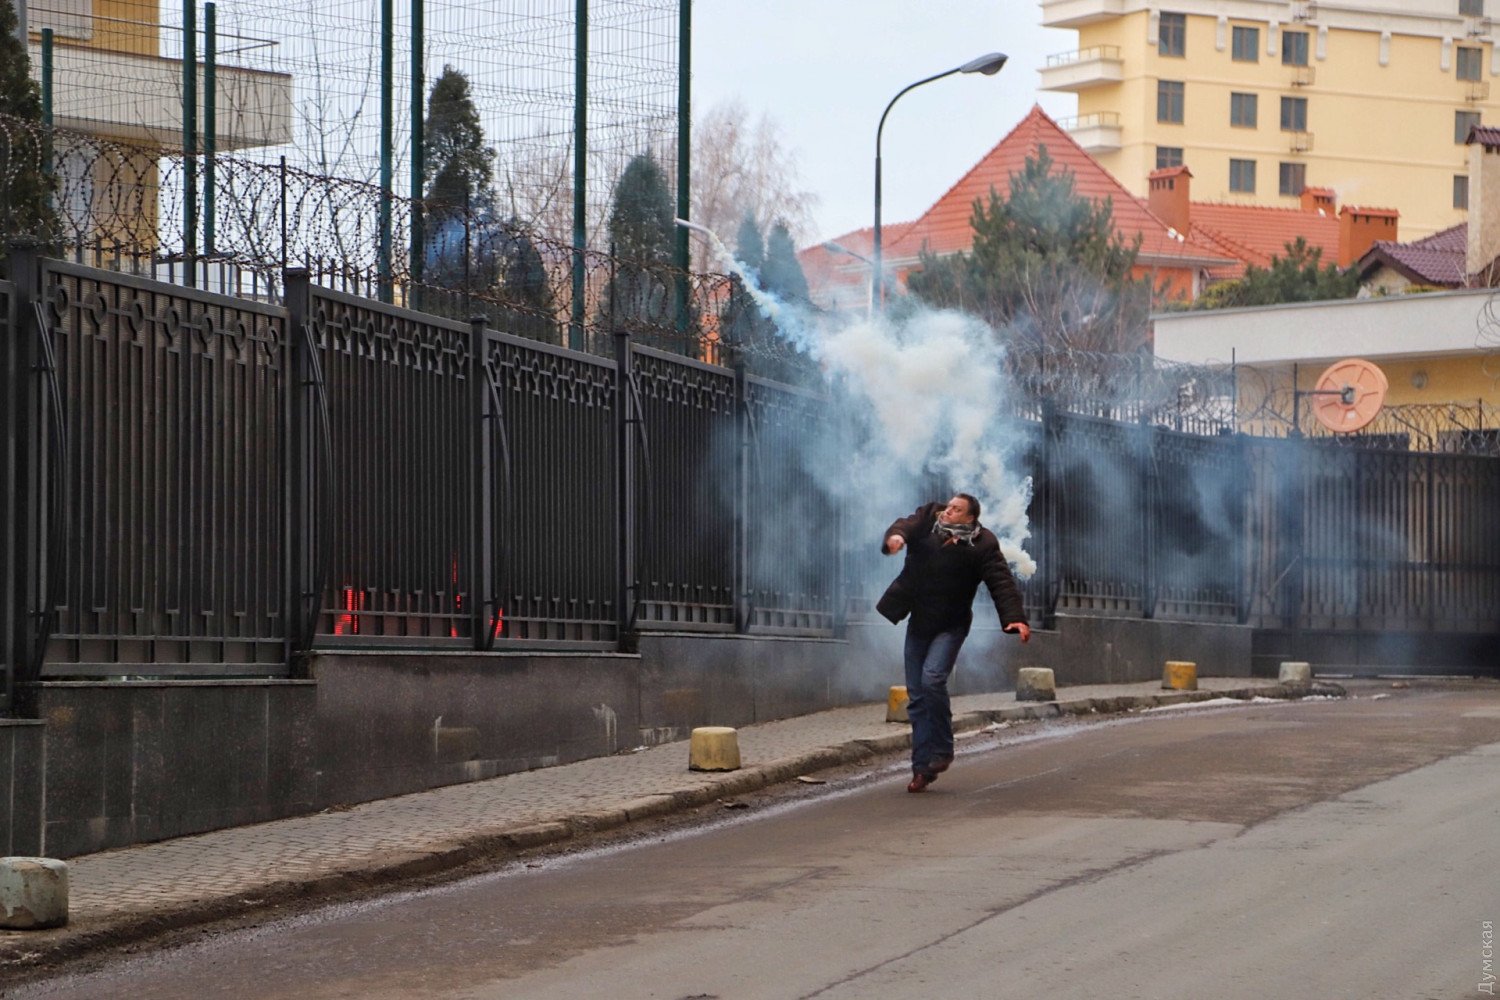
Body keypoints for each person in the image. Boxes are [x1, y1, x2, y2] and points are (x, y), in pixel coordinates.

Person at [878, 493, 1031, 793]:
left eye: (956, 509)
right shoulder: (929, 519)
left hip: (951, 625)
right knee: (917, 696)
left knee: (932, 679)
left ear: (970, 518)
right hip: (919, 622)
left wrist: (1015, 618)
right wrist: (896, 537)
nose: (947, 511)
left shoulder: (983, 544)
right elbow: (906, 524)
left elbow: (1000, 580)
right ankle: (923, 768)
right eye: (948, 506)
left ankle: (943, 749)